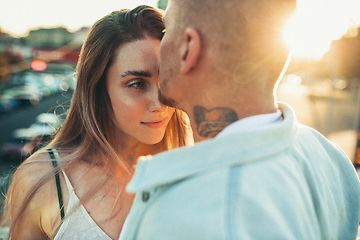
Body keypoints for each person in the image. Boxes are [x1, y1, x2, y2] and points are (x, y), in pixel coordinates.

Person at [120, 0, 360, 239]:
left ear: (188, 48)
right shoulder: (330, 156)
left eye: (166, 30)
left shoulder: (189, 214)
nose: (159, 48)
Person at [4, 5, 192, 240]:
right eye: (137, 84)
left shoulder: (192, 172)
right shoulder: (44, 181)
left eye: (166, 79)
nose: (159, 102)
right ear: (98, 88)